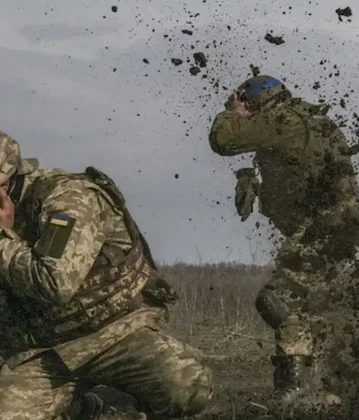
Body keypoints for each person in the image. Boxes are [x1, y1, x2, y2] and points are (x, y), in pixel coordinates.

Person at [0, 132, 213, 420]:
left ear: (7, 181)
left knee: (187, 388)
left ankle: (116, 403)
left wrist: (3, 238)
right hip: (45, 353)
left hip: (115, 333)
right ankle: (80, 407)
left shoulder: (68, 201)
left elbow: (55, 281)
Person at [208, 75, 359, 403]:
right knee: (312, 308)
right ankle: (332, 388)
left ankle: (296, 386)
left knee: (278, 299)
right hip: (336, 230)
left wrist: (231, 113)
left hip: (325, 230)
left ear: (260, 101)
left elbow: (224, 140)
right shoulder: (309, 120)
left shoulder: (284, 120)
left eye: (249, 104)